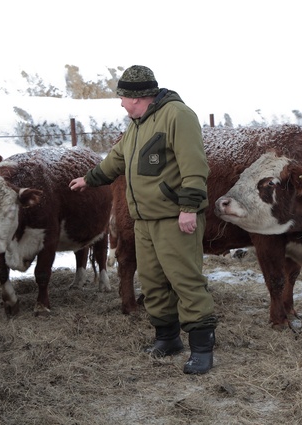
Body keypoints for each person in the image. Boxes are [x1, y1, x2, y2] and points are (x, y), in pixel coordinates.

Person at [69, 65, 217, 374]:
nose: (121, 103)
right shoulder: (137, 124)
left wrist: (189, 208)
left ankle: (202, 349)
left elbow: (194, 165)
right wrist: (89, 179)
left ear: (137, 97)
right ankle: (168, 339)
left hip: (174, 218)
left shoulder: (178, 116)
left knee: (185, 280)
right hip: (145, 219)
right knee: (152, 281)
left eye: (122, 97)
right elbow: (117, 159)